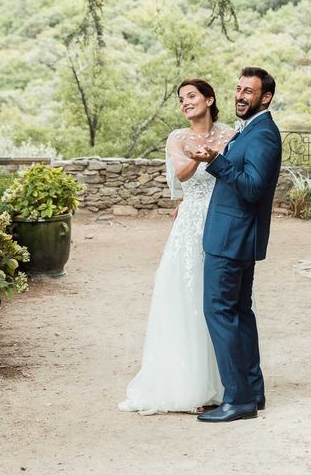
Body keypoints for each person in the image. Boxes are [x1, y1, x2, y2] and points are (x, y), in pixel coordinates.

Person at [118, 79, 235, 415]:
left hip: (221, 216)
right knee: (186, 294)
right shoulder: (177, 138)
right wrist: (199, 159)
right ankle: (190, 383)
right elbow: (181, 176)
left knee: (218, 295)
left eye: (192, 96)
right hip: (190, 223)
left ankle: (225, 381)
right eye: (181, 99)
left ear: (210, 99)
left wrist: (215, 156)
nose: (185, 102)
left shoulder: (230, 135)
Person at [189, 67, 282, 423]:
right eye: (238, 89)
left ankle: (238, 399)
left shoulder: (264, 135)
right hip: (235, 237)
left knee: (220, 312)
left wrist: (216, 162)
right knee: (240, 314)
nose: (241, 95)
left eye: (249, 91)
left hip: (232, 239)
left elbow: (253, 187)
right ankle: (252, 392)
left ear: (266, 97)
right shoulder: (251, 129)